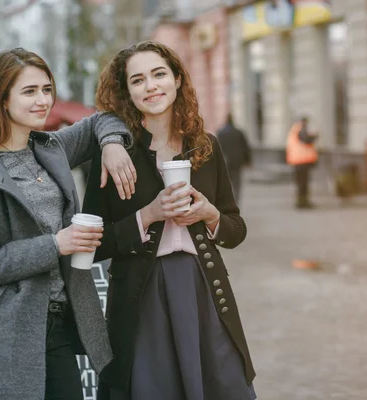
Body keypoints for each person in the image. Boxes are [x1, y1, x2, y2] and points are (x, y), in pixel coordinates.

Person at [0, 48, 137, 400]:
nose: (43, 100)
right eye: (29, 92)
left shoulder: (49, 148)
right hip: (6, 335)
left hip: (57, 323)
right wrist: (56, 245)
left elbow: (103, 119)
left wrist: (110, 144)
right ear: (2, 100)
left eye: (46, 89)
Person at [84, 40, 256, 400]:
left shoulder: (205, 146)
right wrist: (147, 216)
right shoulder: (115, 154)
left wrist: (209, 213)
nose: (151, 86)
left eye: (159, 74)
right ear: (126, 92)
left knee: (220, 385)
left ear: (177, 79)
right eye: (138, 80)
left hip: (203, 290)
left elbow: (235, 230)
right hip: (141, 296)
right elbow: (93, 245)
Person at [216, 113, 252, 204]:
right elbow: (246, 147)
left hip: (225, 162)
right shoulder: (239, 132)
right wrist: (248, 161)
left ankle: (228, 202)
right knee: (237, 184)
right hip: (237, 162)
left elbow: (217, 149)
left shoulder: (220, 133)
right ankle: (236, 202)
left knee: (226, 184)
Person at [286, 116, 318, 209]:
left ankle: (302, 201)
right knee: (303, 184)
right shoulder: (300, 130)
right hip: (302, 161)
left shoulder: (294, 130)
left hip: (298, 161)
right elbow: (307, 140)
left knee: (301, 183)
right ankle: (302, 202)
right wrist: (315, 135)